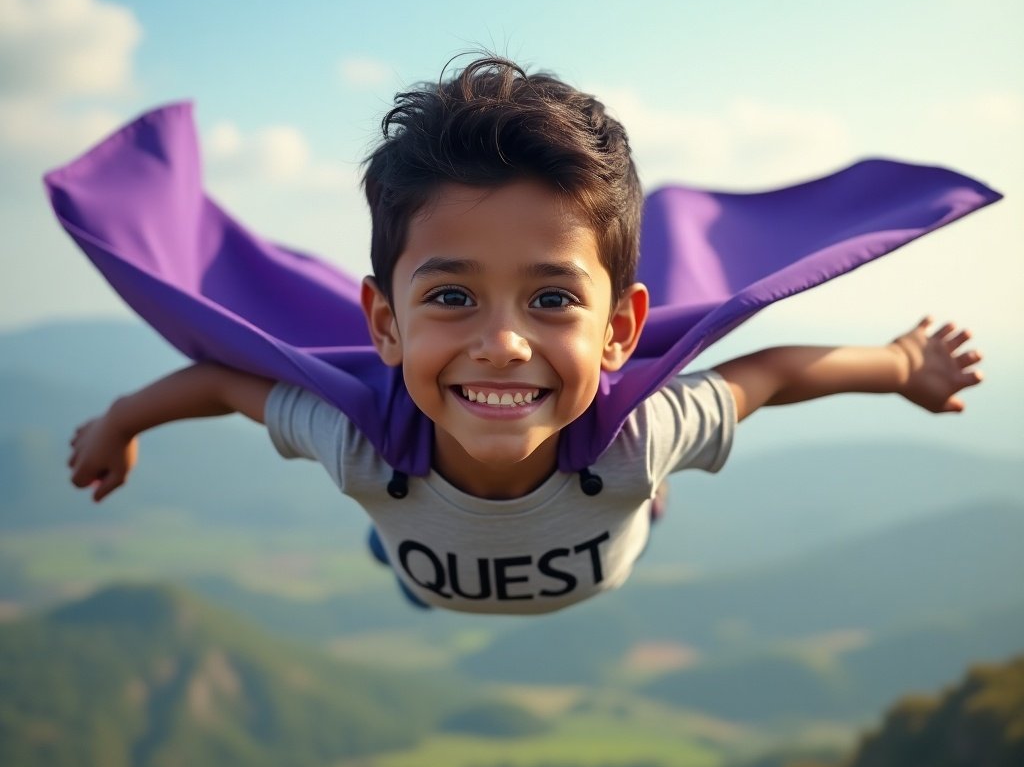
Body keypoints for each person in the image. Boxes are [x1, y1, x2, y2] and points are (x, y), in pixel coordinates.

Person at [63, 58, 987, 615]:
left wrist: (903, 364)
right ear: (384, 324)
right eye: (453, 297)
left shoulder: (639, 439)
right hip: (416, 556)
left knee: (635, 484)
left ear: (622, 327)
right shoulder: (363, 446)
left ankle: (650, 506)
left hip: (613, 516)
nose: (502, 343)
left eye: (551, 300)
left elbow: (772, 373)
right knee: (397, 551)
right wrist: (120, 420)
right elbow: (227, 382)